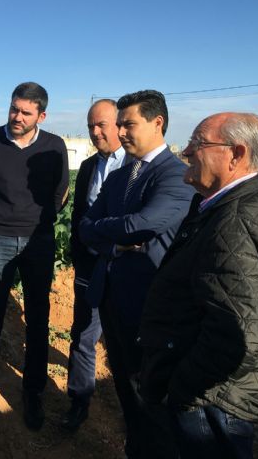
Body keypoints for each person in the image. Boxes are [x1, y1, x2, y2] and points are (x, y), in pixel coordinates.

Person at [138, 113, 258, 459]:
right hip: (215, 398)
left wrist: (180, 387)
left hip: (212, 405)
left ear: (236, 154)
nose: (187, 151)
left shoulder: (236, 221)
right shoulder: (231, 207)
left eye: (198, 143)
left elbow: (237, 338)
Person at [79, 90, 194, 458]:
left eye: (129, 124)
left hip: (153, 304)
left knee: (154, 395)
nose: (121, 132)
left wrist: (109, 230)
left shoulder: (176, 176)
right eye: (121, 125)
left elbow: (142, 225)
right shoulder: (121, 176)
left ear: (157, 122)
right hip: (112, 297)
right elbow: (84, 226)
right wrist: (114, 243)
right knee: (127, 388)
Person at [0, 82, 69, 446]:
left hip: (39, 241)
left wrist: (36, 222)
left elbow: (60, 192)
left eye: (26, 112)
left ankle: (33, 394)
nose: (17, 117)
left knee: (38, 320)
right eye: (13, 109)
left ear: (42, 115)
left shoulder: (54, 146)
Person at [61, 99, 128, 431]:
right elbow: (77, 218)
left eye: (101, 125)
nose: (95, 132)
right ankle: (79, 400)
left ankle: (136, 405)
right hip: (90, 265)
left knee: (129, 339)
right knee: (84, 334)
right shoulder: (88, 166)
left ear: (120, 125)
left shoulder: (139, 164)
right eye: (91, 126)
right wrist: (79, 252)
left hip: (128, 269)